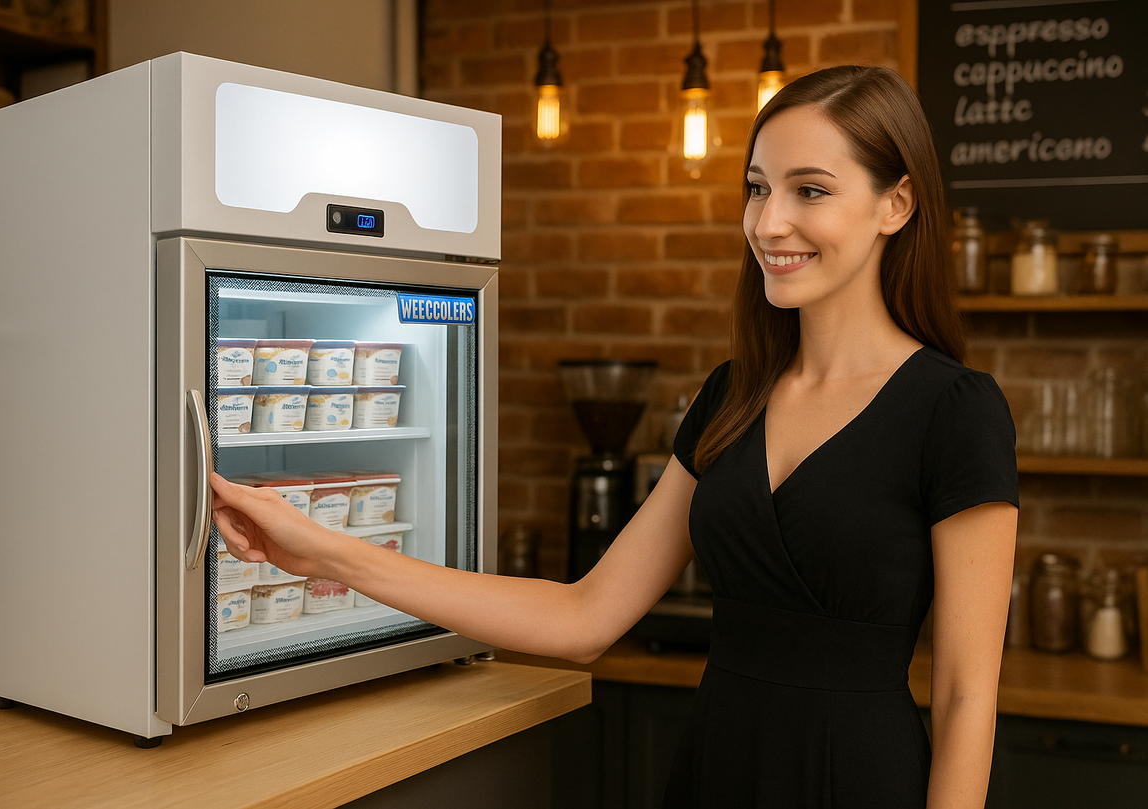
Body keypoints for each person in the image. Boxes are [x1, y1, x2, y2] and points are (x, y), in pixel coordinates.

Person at [211, 64, 1018, 808]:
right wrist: (321, 551)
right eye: (757, 188)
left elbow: (964, 694)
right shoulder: (731, 397)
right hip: (713, 770)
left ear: (896, 205)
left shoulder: (956, 410)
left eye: (810, 190)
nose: (770, 222)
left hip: (859, 782)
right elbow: (585, 614)